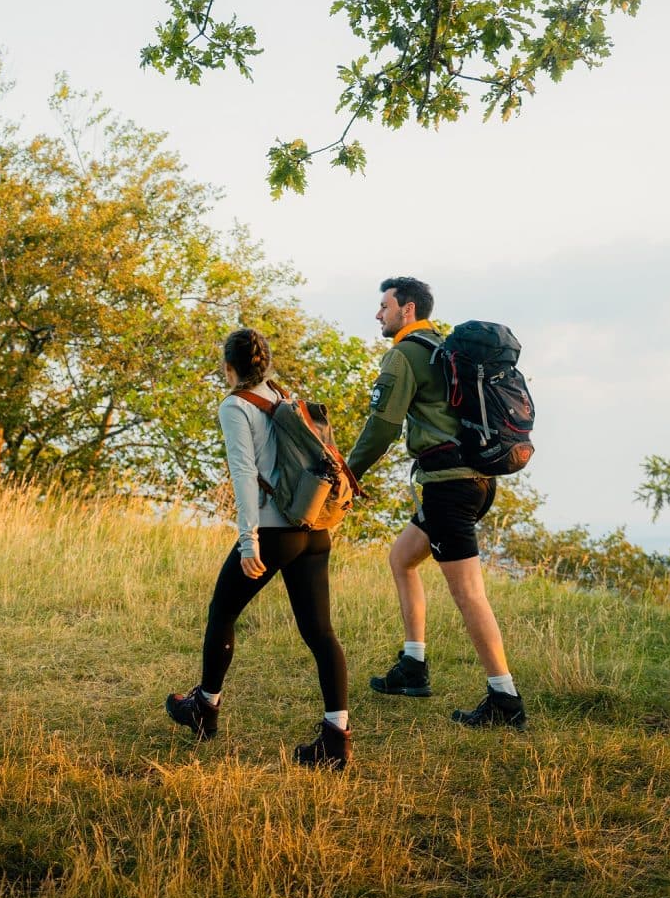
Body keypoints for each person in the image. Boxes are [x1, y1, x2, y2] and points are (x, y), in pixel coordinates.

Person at [164, 328, 353, 768]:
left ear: (228, 367)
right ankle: (336, 738)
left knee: (222, 612)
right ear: (265, 364)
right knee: (320, 633)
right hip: (312, 528)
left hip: (273, 532)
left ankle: (205, 707)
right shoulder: (282, 394)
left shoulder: (235, 406)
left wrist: (249, 541)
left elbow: (244, 475)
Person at [346, 277, 527, 729]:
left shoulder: (405, 354)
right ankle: (413, 665)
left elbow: (383, 426)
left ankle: (505, 699)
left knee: (468, 594)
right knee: (402, 558)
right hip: (475, 481)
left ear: (407, 309)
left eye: (384, 306)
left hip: (449, 487)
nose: (378, 314)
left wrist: (348, 474)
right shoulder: (444, 348)